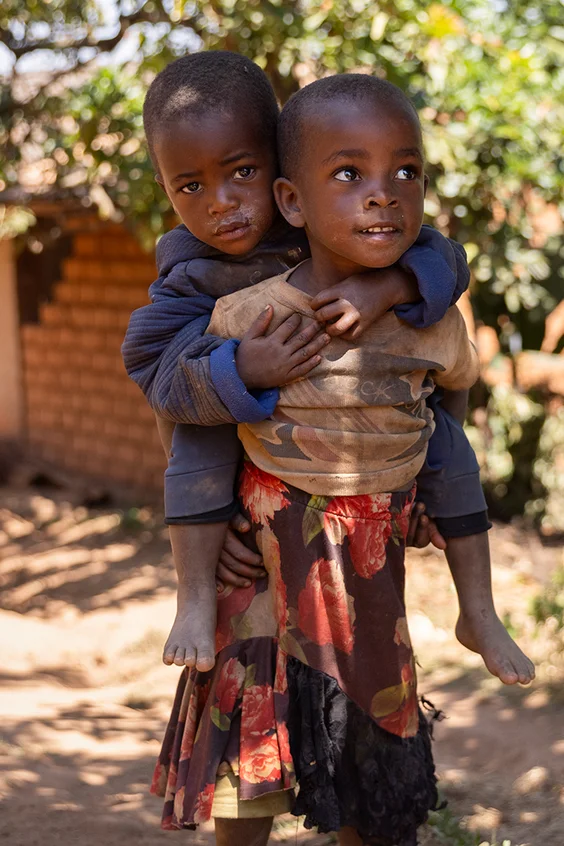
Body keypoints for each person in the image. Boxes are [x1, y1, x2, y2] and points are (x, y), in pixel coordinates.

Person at [122, 52, 533, 693]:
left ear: (284, 176)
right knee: (201, 422)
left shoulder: (340, 221)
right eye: (190, 188)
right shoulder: (192, 278)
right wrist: (239, 367)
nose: (223, 205)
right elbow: (155, 372)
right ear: (165, 188)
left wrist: (388, 288)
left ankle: (476, 612)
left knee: (446, 440)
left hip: (368, 461)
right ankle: (193, 593)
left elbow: (446, 259)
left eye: (243, 172)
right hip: (249, 473)